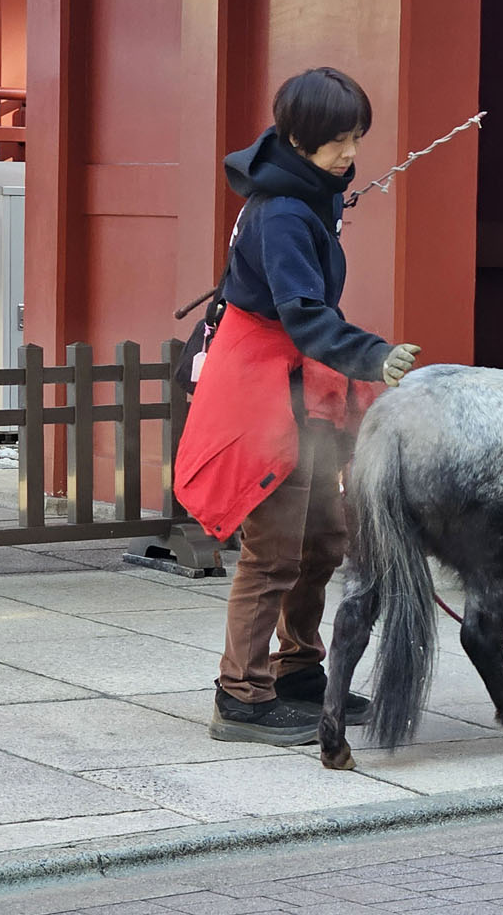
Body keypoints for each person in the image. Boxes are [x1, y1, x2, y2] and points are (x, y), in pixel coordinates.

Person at [174, 67, 422, 745]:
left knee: (323, 541)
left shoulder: (306, 191)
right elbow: (306, 314)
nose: (349, 154)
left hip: (302, 383)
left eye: (355, 139)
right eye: (337, 141)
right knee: (275, 547)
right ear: (295, 137)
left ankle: (298, 670)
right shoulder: (282, 211)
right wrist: (375, 356)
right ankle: (241, 695)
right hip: (268, 388)